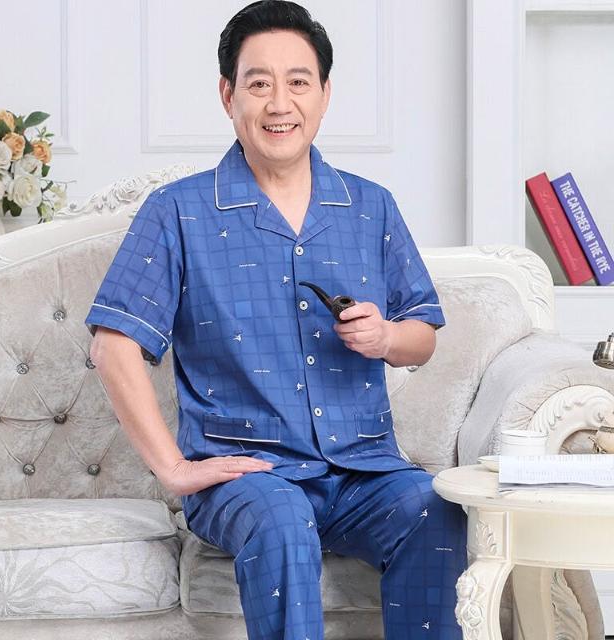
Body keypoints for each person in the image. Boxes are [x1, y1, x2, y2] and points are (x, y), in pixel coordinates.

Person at [85, 1, 467, 638]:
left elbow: (421, 337)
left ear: (324, 94)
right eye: (259, 83)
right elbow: (113, 344)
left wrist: (385, 337)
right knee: (283, 520)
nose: (280, 103)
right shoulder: (177, 211)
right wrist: (173, 470)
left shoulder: (371, 206)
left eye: (298, 82)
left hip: (365, 471)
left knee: (438, 509)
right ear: (228, 95)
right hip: (248, 477)